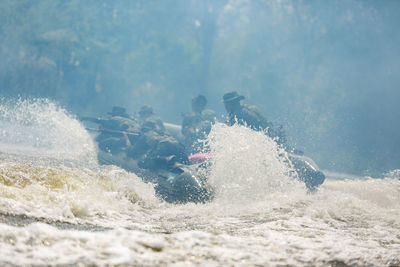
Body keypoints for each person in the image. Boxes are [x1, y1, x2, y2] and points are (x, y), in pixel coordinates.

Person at [222, 91, 287, 147]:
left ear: (230, 104)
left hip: (263, 142)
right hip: (272, 137)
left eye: (226, 104)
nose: (225, 107)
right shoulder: (252, 108)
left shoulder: (236, 115)